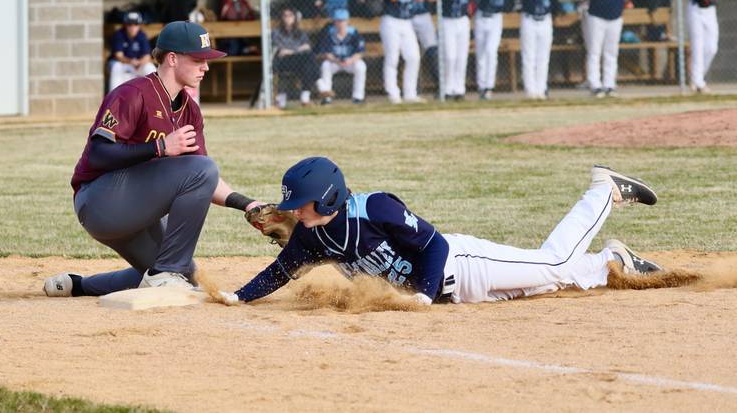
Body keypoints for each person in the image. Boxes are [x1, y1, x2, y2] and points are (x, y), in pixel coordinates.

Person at [217, 157, 662, 307]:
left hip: (462, 267)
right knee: (556, 279)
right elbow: (280, 272)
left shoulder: (375, 207)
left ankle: (603, 190)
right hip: (454, 297)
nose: (295, 211)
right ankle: (614, 261)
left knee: (555, 262)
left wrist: (424, 295)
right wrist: (238, 296)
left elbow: (434, 244)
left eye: (302, 203)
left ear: (330, 197)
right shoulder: (309, 235)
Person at [44, 21, 262, 297]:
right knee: (170, 270)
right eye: (198, 60)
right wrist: (160, 147)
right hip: (99, 201)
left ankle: (78, 285)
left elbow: (204, 180)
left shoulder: (190, 110)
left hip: (137, 212)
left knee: (185, 277)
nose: (205, 67)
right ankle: (165, 271)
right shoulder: (132, 93)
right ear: (172, 58)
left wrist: (249, 205)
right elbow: (98, 154)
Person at [581, 0, 651, 97]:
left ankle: (609, 85)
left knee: (611, 52)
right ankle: (595, 85)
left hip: (615, 17)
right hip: (596, 16)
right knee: (594, 51)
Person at [520, 0, 575, 99]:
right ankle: (530, 91)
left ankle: (541, 89)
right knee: (529, 56)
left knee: (543, 57)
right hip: (529, 20)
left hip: (545, 20)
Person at [373, 0, 426, 104]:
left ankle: (410, 93)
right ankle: (393, 93)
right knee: (392, 58)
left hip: (406, 22)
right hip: (390, 21)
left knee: (413, 57)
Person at [687, 0, 735, 93]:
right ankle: (698, 83)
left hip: (710, 10)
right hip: (696, 9)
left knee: (712, 47)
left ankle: (697, 77)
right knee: (698, 46)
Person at [315, 9, 367, 105]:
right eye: (338, 21)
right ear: (334, 22)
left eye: (343, 21)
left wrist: (351, 60)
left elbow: (360, 52)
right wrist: (336, 60)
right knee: (325, 65)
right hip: (335, 62)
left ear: (347, 21)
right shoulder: (329, 33)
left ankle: (358, 97)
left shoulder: (354, 33)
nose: (340, 24)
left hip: (350, 62)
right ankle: (327, 97)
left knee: (361, 66)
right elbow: (325, 53)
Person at [407, 0, 441, 89]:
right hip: (406, 18)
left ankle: (440, 86)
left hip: (423, 15)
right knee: (410, 53)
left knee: (432, 49)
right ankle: (412, 88)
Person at [271, 8, 319, 108]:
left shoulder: (300, 32)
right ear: (281, 18)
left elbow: (307, 47)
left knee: (308, 61)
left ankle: (305, 99)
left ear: (295, 18)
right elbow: (281, 51)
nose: (288, 18)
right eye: (285, 16)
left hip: (300, 61)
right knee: (308, 58)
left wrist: (292, 51)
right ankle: (315, 89)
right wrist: (298, 49)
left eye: (290, 15)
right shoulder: (276, 32)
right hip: (283, 62)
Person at [108, 12, 156, 92]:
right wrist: (131, 61)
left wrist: (139, 62)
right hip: (123, 64)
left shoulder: (141, 35)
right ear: (125, 25)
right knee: (116, 66)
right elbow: (118, 56)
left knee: (150, 67)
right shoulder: (119, 34)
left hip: (137, 65)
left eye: (136, 24)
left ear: (139, 25)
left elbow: (147, 56)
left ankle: (155, 96)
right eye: (130, 24)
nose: (133, 27)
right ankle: (113, 96)